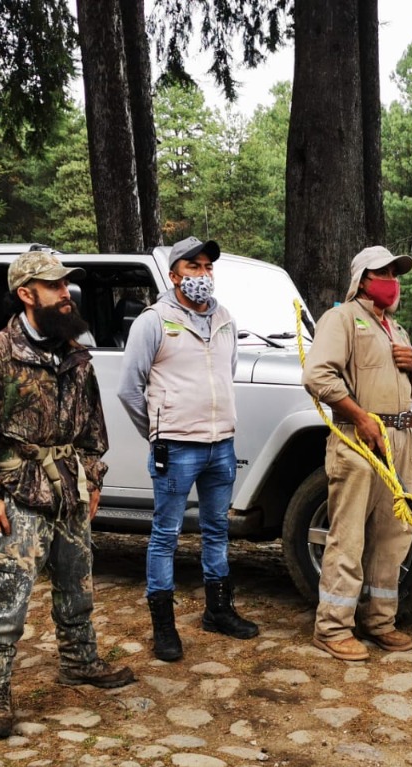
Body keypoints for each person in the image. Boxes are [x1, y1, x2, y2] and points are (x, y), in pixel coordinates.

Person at [0, 248, 134, 738]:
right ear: (26, 294)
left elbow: (93, 425)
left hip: (69, 488)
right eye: (54, 285)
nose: (65, 293)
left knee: (78, 581)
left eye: (64, 284)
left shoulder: (74, 353)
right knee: (8, 593)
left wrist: (92, 477)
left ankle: (79, 660)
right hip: (19, 491)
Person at [116, 236, 259, 663]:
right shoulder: (154, 321)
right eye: (193, 267)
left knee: (217, 529)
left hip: (221, 445)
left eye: (207, 267)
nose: (203, 274)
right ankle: (164, 626)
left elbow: (227, 373)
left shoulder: (225, 318)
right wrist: (157, 432)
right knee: (166, 535)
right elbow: (129, 389)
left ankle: (219, 610)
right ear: (174, 274)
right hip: (176, 447)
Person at [302, 246, 412, 661]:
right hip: (358, 439)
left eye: (395, 273)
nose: (392, 281)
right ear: (362, 280)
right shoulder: (341, 319)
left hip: (400, 440)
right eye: (383, 273)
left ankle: (380, 621)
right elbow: (317, 375)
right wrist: (360, 417)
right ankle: (332, 627)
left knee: (395, 534)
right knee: (349, 536)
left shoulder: (396, 328)